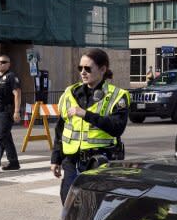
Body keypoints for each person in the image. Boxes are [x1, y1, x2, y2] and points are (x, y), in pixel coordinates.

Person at [50, 48, 129, 204]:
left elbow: (117, 127)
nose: (83, 72)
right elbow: (61, 128)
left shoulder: (117, 96)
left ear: (102, 69)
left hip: (100, 161)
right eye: (80, 68)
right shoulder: (70, 93)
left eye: (88, 68)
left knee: (95, 207)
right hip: (71, 161)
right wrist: (56, 159)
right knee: (69, 204)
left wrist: (86, 114)